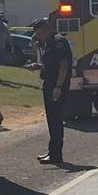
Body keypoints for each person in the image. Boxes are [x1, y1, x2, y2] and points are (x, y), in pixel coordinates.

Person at [34, 15, 73, 166]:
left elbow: (63, 66)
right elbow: (51, 64)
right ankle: (52, 152)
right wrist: (38, 66)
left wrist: (58, 87)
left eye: (39, 33)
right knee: (51, 120)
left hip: (55, 86)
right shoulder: (49, 43)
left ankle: (56, 155)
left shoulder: (58, 42)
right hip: (49, 84)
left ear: (46, 29)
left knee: (55, 120)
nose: (38, 36)